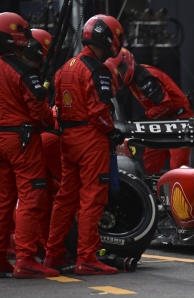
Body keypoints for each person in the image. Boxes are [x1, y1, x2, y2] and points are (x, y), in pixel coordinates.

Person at [44, 14, 125, 275]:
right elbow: (99, 111)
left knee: (66, 197)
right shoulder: (96, 70)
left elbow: (57, 106)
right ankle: (87, 257)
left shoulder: (65, 67)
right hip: (91, 140)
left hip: (69, 140)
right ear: (109, 39)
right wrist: (112, 132)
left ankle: (53, 254)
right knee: (92, 198)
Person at [0, 12, 58, 278]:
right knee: (32, 197)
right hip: (21, 140)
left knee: (3, 200)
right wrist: (49, 120)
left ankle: (2, 258)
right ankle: (25, 258)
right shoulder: (21, 69)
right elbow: (38, 106)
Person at [106, 47, 194, 174]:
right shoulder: (133, 81)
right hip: (162, 121)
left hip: (179, 120)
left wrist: (142, 119)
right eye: (117, 71)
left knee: (178, 169)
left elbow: (165, 104)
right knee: (148, 166)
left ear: (128, 63)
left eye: (121, 69)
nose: (120, 74)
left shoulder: (143, 76)